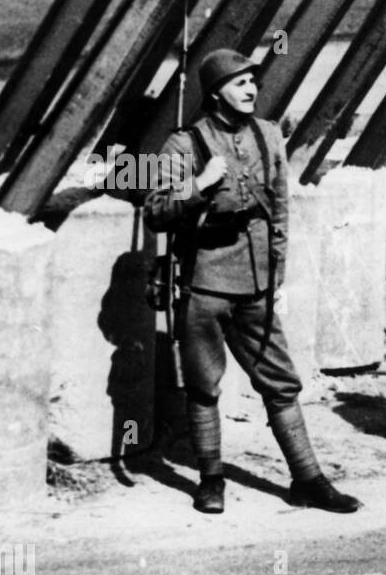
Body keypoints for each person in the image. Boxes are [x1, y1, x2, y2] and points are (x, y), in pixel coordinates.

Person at [143, 48, 359, 515]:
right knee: (203, 386)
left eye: (252, 81)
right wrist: (200, 184)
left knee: (281, 383)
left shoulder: (268, 134)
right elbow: (156, 211)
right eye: (239, 82)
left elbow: (279, 209)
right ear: (215, 92)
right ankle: (211, 480)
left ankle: (308, 479)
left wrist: (276, 271)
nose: (251, 89)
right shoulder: (184, 144)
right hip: (203, 284)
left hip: (257, 284)